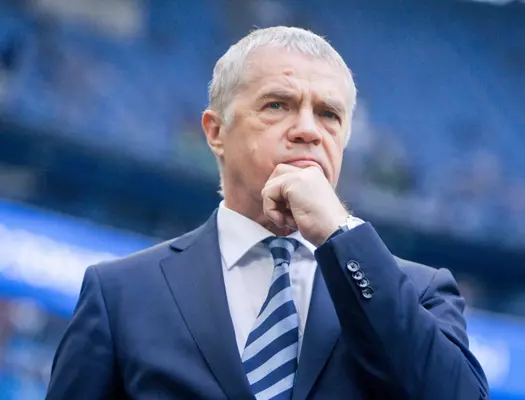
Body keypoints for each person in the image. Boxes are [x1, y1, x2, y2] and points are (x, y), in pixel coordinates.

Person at [46, 26, 489, 400]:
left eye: (329, 115)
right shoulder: (120, 294)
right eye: (278, 105)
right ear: (216, 131)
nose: (308, 130)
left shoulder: (421, 292)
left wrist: (341, 236)